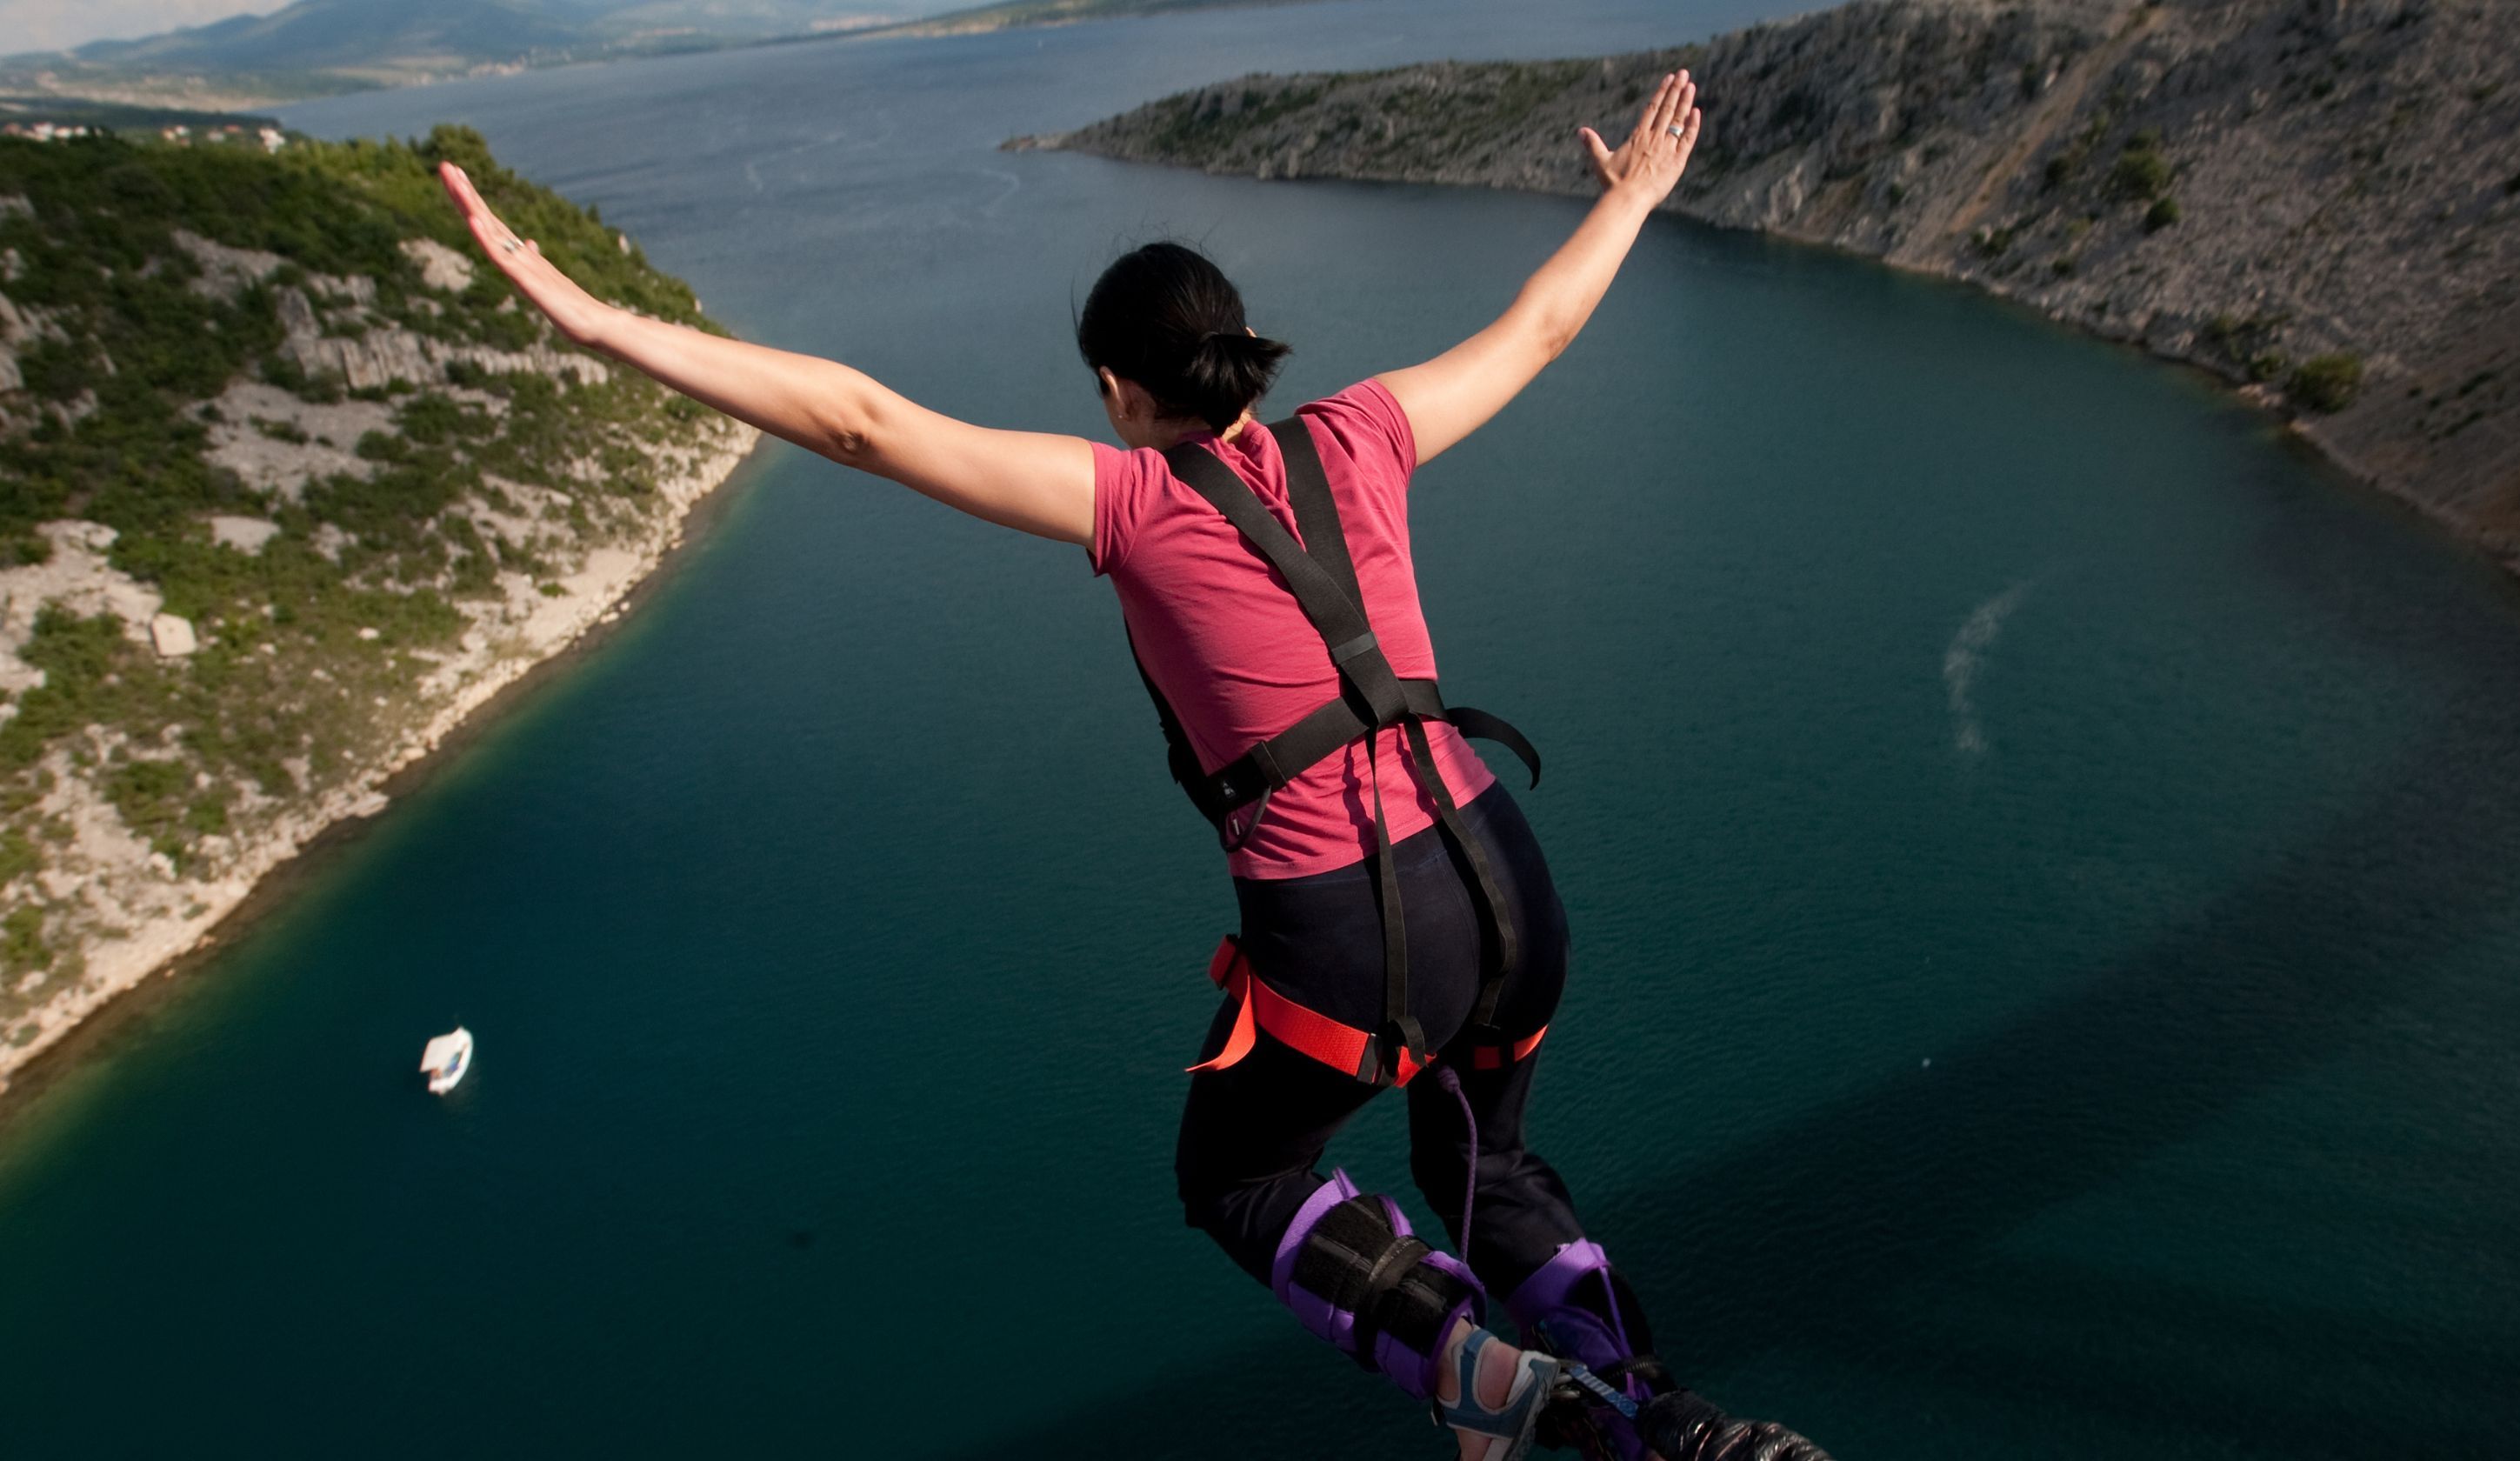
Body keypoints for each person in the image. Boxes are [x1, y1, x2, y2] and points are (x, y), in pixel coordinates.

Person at [444, 68, 1824, 1461]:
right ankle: (1653, 1419)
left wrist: (595, 319)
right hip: (1508, 883)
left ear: (1118, 389)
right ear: (1239, 353)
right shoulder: (1361, 432)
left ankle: (1465, 1368)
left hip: (1355, 926)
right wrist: (1638, 194)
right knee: (1491, 1161)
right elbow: (1539, 328)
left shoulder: (1134, 501)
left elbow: (860, 420)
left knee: (1239, 1173)